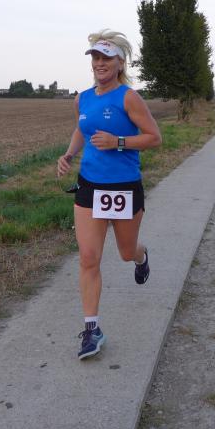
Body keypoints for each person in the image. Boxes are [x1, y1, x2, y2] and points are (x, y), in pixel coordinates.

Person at [57, 29, 162, 360]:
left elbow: (154, 137)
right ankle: (92, 330)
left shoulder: (129, 98)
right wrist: (70, 154)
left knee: (126, 252)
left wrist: (118, 142)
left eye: (106, 58)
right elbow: (82, 129)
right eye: (95, 58)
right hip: (89, 186)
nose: (100, 63)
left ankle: (142, 258)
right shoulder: (83, 98)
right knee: (89, 258)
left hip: (124, 187)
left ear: (120, 63)